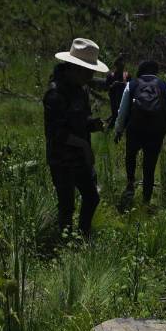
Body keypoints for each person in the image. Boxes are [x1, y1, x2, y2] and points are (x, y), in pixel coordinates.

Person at [44, 38, 108, 238]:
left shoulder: (81, 90)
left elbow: (81, 120)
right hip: (62, 160)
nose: (91, 75)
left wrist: (93, 124)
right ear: (75, 68)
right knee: (67, 206)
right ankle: (65, 246)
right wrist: (84, 146)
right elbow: (56, 133)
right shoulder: (55, 94)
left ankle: (83, 236)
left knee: (91, 197)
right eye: (89, 71)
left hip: (80, 158)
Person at [113, 60, 166, 208]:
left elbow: (122, 111)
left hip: (135, 129)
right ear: (155, 71)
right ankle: (146, 199)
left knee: (131, 156)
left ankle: (130, 185)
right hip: (155, 131)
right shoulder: (164, 85)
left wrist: (118, 130)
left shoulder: (132, 84)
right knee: (150, 165)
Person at [105, 58, 127, 129]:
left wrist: (120, 84)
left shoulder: (126, 75)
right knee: (115, 114)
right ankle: (109, 129)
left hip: (123, 97)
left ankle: (110, 128)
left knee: (118, 114)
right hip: (113, 97)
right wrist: (113, 85)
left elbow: (130, 85)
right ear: (116, 66)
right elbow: (107, 87)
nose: (122, 68)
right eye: (120, 66)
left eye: (123, 66)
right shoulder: (110, 75)